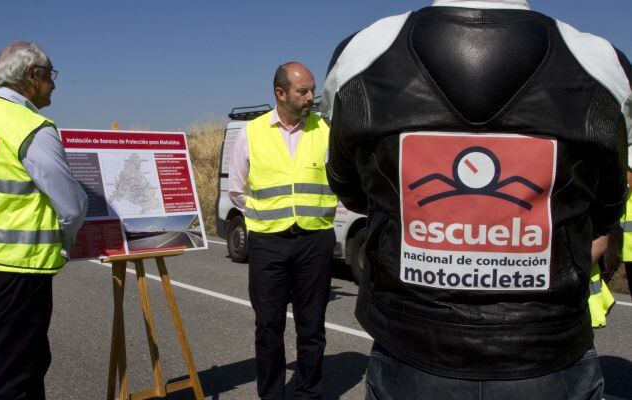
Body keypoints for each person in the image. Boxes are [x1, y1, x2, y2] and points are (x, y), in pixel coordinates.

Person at [322, 1, 631, 399]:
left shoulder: (362, 53)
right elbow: (607, 204)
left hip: (412, 351)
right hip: (549, 353)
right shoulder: (601, 62)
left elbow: (351, 187)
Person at [0, 40, 88, 400]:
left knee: (17, 358)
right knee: (15, 372)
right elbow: (72, 205)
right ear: (32, 76)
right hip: (19, 267)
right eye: (50, 76)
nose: (54, 85)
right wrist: (66, 242)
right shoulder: (33, 127)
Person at [228, 62, 337, 400]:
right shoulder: (252, 132)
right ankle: (272, 395)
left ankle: (308, 394)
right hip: (268, 243)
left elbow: (343, 180)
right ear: (280, 93)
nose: (311, 97)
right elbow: (237, 189)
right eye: (303, 91)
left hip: (315, 240)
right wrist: (267, 217)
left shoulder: (327, 130)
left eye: (312, 90)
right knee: (269, 328)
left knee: (312, 327)